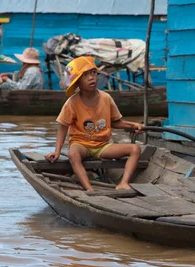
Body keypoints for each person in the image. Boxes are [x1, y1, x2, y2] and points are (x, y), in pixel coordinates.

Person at [44, 56, 143, 192]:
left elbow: (115, 122)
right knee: (73, 154)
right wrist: (57, 152)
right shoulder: (72, 103)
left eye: (93, 73)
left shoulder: (106, 98)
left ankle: (123, 183)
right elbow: (63, 128)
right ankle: (89, 188)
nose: (91, 78)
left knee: (135, 149)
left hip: (102, 146)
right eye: (85, 75)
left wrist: (133, 125)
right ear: (77, 82)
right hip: (81, 144)